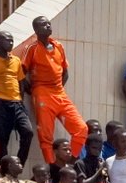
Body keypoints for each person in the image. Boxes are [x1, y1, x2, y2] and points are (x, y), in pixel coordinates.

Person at [22, 16, 89, 163]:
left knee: (81, 128)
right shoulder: (32, 48)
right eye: (43, 24)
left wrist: (57, 88)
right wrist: (32, 90)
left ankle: (72, 161)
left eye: (48, 23)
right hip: (42, 94)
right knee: (46, 135)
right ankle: (52, 166)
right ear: (36, 30)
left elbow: (65, 72)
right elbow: (20, 71)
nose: (48, 26)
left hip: (59, 92)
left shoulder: (58, 46)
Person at [0, 30, 34, 165]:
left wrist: (20, 99)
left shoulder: (16, 61)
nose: (11, 43)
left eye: (12, 40)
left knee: (28, 132)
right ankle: (5, 171)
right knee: (2, 140)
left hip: (17, 103)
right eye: (7, 40)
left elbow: (21, 83)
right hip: (0, 103)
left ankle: (18, 166)